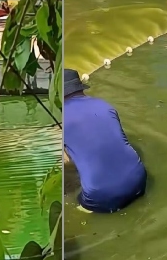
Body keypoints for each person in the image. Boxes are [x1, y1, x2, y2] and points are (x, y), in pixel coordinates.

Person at [62, 69, 147, 213]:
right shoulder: (105, 106)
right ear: (80, 87)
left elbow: (65, 161)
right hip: (139, 180)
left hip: (100, 197)